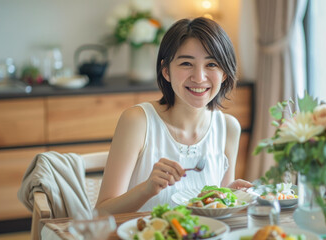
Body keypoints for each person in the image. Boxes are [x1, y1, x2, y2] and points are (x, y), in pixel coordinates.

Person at [95, 17, 252, 214]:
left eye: (211, 64)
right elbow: (100, 213)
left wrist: (228, 196)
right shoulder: (137, 121)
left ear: (224, 74)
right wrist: (146, 189)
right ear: (166, 71)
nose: (199, 77)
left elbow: (216, 209)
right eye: (186, 63)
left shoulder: (228, 128)